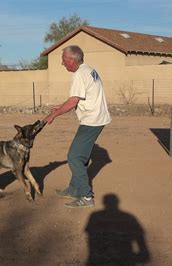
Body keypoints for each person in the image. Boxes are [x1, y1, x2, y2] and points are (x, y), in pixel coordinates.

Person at [43, 45, 111, 208]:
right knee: (81, 157)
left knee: (74, 157)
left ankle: (87, 197)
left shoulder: (79, 74)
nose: (62, 63)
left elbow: (74, 101)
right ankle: (74, 190)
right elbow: (79, 98)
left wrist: (53, 115)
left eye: (63, 59)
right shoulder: (87, 70)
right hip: (97, 117)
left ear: (72, 60)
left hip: (92, 120)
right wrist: (60, 106)